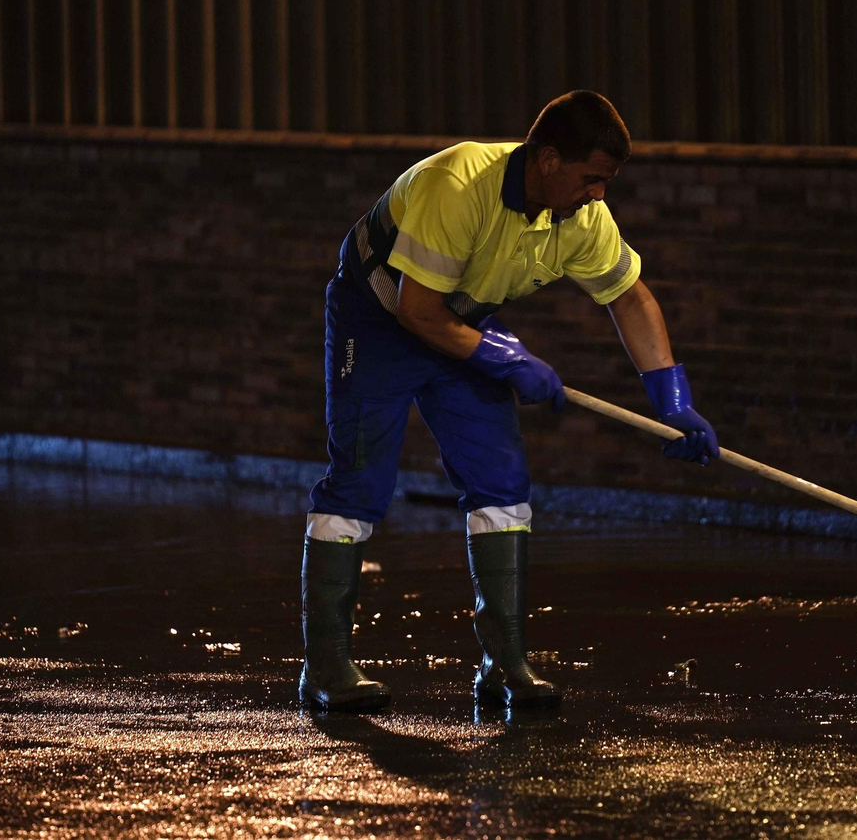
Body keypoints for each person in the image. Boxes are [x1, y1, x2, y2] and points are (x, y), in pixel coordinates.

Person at [301, 90, 719, 711]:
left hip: (459, 322)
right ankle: (326, 667)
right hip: (380, 319)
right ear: (548, 160)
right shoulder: (459, 185)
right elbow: (417, 310)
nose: (599, 194)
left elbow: (630, 298)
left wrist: (671, 398)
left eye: (606, 182)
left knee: (502, 481)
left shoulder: (581, 218)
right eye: (592, 178)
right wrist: (504, 358)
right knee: (360, 480)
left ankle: (506, 663)